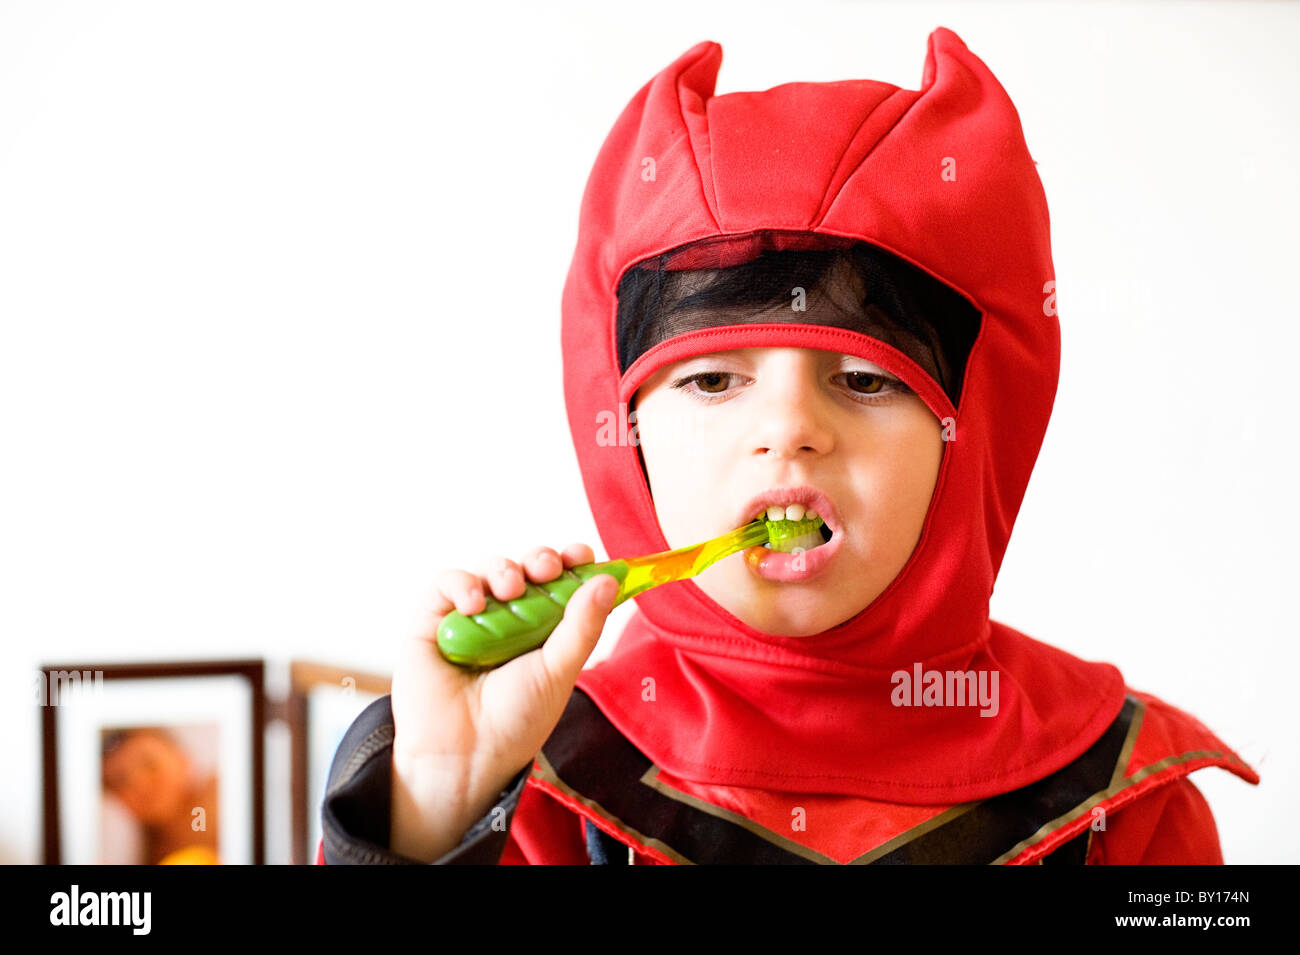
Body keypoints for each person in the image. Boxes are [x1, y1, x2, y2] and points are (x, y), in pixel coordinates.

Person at [319, 27, 1258, 865]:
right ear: (623, 435)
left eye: (865, 379)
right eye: (712, 380)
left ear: (978, 431)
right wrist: (430, 811)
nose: (787, 432)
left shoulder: (1127, 809)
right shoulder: (537, 791)